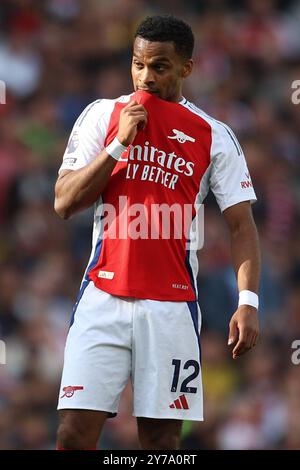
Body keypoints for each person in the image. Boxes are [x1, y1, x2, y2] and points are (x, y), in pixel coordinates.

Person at [54, 15, 260, 450]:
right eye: (138, 64)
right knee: (73, 433)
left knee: (163, 439)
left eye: (160, 66)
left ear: (187, 68)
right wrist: (118, 145)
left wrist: (248, 302)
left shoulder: (215, 135)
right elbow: (64, 203)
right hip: (101, 297)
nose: (145, 76)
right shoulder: (103, 115)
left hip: (171, 309)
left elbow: (241, 224)